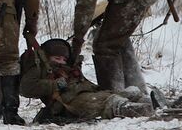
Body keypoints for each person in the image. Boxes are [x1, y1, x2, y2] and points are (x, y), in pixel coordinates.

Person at [20, 38, 153, 123]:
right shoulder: (39, 68)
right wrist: (55, 85)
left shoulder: (68, 68)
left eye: (63, 59)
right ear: (47, 57)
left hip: (87, 93)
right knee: (110, 103)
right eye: (57, 58)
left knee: (128, 93)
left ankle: (152, 103)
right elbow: (26, 88)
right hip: (70, 102)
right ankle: (143, 110)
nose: (61, 62)